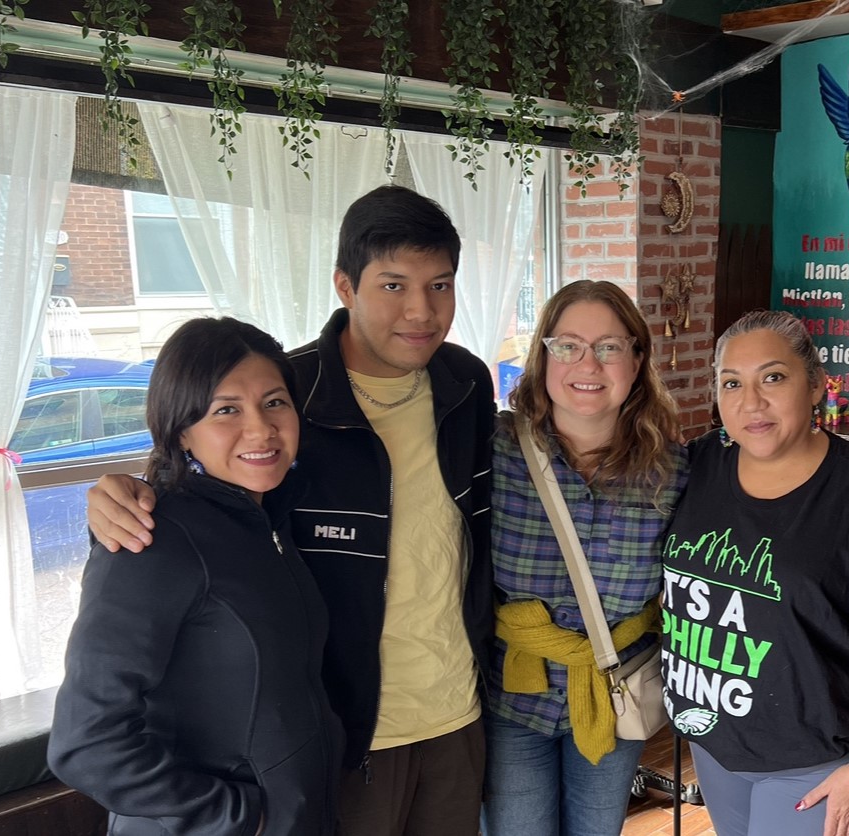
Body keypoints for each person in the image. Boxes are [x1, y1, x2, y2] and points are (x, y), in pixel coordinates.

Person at [84, 185, 495, 836]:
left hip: (454, 717)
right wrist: (120, 496)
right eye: (393, 285)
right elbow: (205, 469)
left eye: (440, 285)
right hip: (342, 735)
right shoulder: (288, 392)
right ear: (344, 285)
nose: (421, 310)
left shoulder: (466, 385)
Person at [49, 317, 342, 835]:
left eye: (274, 402)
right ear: (181, 430)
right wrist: (240, 816)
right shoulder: (151, 539)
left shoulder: (269, 518)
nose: (261, 429)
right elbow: (86, 742)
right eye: (226, 410)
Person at [662, 310, 849, 836]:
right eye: (731, 383)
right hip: (715, 744)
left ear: (814, 385)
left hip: (815, 764)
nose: (752, 402)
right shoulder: (697, 467)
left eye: (773, 377)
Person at [482, 280, 688, 836]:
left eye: (609, 346)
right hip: (512, 699)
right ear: (543, 355)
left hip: (617, 693)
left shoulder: (674, 473)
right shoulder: (493, 452)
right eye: (567, 344)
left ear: (637, 357)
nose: (587, 363)